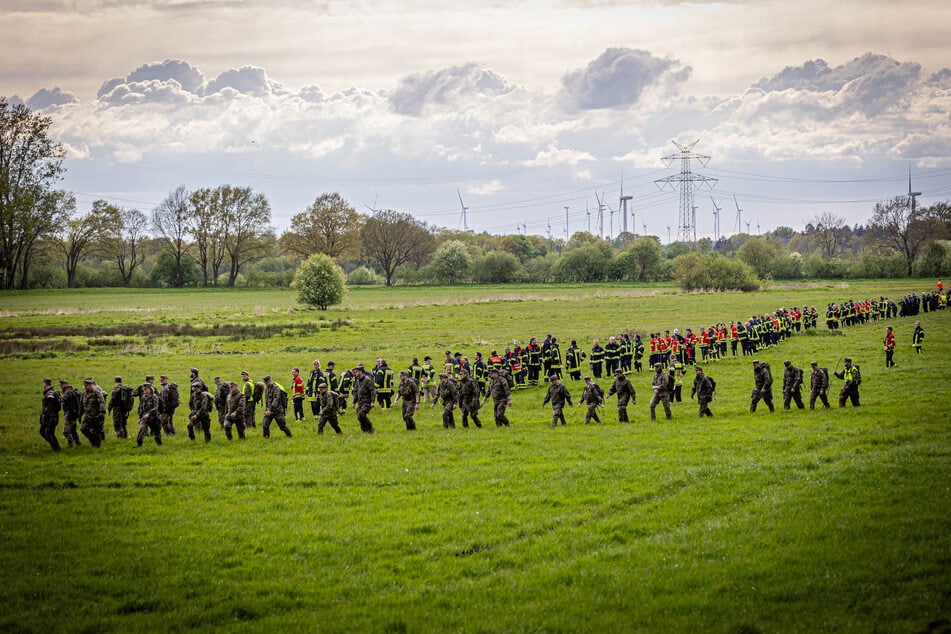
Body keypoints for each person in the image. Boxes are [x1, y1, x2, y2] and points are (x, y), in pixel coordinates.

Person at [80, 377, 106, 447]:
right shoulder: (83, 394)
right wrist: (79, 415)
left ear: (90, 385)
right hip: (87, 417)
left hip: (95, 416)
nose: (85, 387)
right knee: (83, 429)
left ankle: (97, 445)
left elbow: (102, 402)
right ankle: (93, 441)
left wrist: (102, 412)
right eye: (84, 386)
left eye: (86, 386)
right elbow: (81, 405)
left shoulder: (97, 393)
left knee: (96, 432)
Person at [351, 364, 377, 433]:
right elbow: (356, 392)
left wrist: (372, 402)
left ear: (361, 372)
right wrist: (354, 402)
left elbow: (373, 391)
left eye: (357, 372)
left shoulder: (367, 380)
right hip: (360, 402)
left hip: (367, 402)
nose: (355, 373)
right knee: (359, 416)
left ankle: (370, 427)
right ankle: (365, 430)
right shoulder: (358, 381)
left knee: (361, 414)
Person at [40, 378, 62, 452]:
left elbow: (51, 397)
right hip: (48, 417)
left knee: (49, 433)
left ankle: (56, 448)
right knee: (43, 432)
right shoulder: (51, 391)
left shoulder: (51, 392)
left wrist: (50, 397)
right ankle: (55, 446)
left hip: (51, 417)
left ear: (44, 384)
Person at [59, 379, 82, 446]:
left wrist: (56, 399)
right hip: (74, 413)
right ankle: (78, 442)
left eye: (61, 385)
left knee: (65, 432)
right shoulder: (72, 390)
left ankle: (71, 443)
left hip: (69, 413)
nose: (61, 387)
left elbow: (62, 399)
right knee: (73, 430)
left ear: (65, 384)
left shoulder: (68, 391)